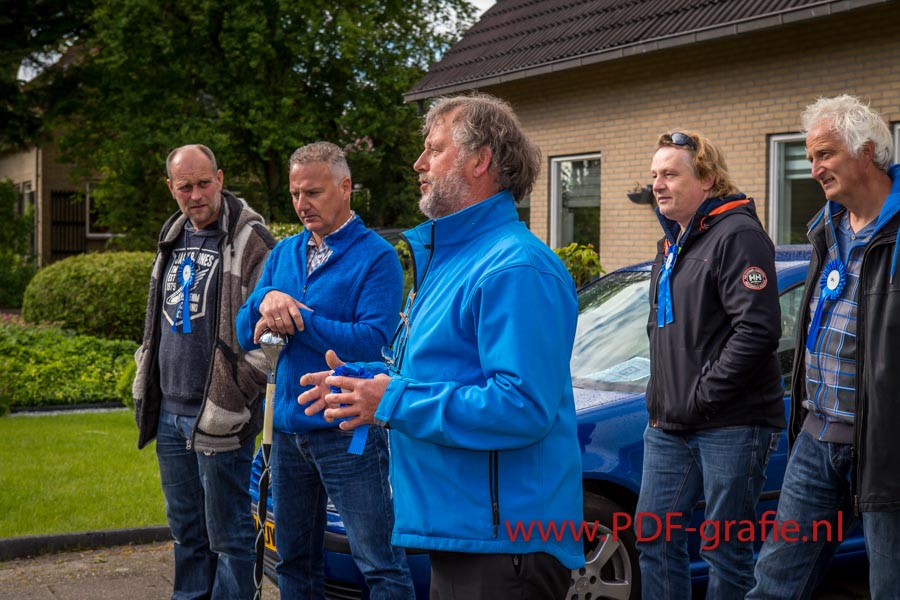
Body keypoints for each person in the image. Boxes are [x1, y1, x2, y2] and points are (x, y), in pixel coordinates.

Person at [298, 94, 585, 600]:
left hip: (506, 547)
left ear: (480, 161)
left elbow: (522, 406)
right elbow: (440, 371)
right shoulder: (454, 260)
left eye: (434, 149)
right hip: (463, 532)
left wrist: (391, 400)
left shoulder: (516, 267)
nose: (418, 163)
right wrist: (366, 384)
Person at [235, 142, 414, 599]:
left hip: (347, 431)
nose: (302, 204)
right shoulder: (284, 254)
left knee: (379, 563)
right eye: (295, 194)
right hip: (287, 434)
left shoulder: (377, 257)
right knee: (294, 562)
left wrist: (298, 316)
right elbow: (243, 332)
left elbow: (373, 342)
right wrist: (266, 299)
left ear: (346, 187)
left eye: (313, 192)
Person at [748, 96, 900, 599]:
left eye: (825, 154)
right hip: (817, 435)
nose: (814, 169)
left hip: (887, 446)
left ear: (867, 152)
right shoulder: (826, 229)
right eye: (810, 157)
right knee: (774, 582)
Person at [635, 131, 784, 599]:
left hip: (732, 423)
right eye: (655, 175)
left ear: (707, 179)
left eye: (670, 174)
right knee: (655, 538)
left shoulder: (738, 235)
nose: (658, 185)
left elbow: (757, 330)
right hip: (668, 424)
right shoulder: (672, 243)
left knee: (725, 551)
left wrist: (702, 396)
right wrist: (664, 397)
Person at [133, 144, 275, 599]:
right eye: (184, 186)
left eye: (203, 183)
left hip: (220, 415)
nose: (195, 195)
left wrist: (233, 394)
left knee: (229, 536)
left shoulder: (252, 241)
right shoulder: (172, 235)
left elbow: (269, 337)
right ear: (170, 188)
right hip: (171, 414)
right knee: (186, 533)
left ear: (220, 178)